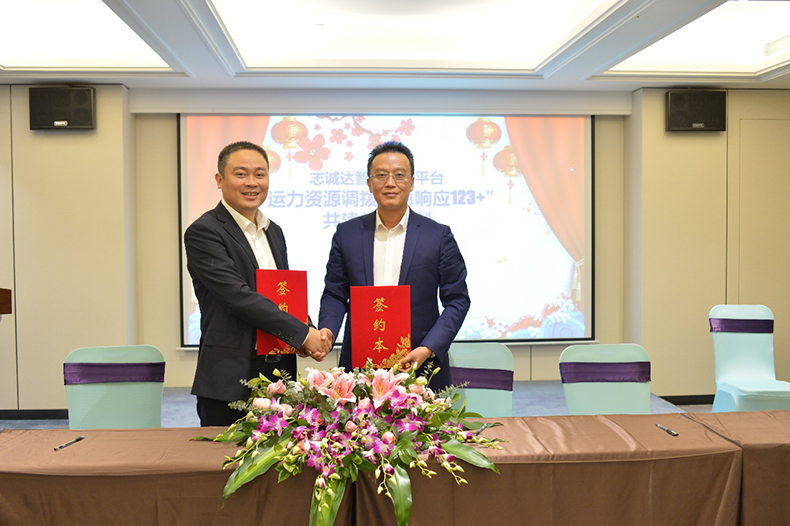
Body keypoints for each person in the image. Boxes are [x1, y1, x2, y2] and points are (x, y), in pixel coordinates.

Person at [185, 141, 330, 426]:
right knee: (225, 453)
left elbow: (283, 293)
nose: (252, 182)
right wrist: (302, 334)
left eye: (260, 174)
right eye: (241, 174)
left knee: (282, 451)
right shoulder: (204, 231)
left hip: (279, 373)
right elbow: (238, 296)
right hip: (231, 376)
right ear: (219, 179)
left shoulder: (273, 231)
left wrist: (307, 330)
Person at [318, 141, 470, 390]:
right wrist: (326, 331)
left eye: (399, 175)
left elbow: (457, 300)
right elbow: (335, 293)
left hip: (419, 366)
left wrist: (428, 348)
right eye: (381, 175)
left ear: (412, 183)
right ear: (369, 183)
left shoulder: (437, 236)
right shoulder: (347, 234)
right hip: (360, 367)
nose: (390, 183)